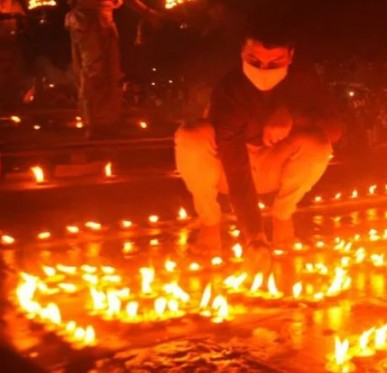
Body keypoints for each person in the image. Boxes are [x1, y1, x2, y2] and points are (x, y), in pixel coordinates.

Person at [174, 15, 342, 254]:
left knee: (317, 143)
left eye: (274, 63)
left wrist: (292, 118)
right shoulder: (230, 90)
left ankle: (283, 216)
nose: (263, 70)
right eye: (254, 60)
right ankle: (210, 223)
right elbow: (235, 164)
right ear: (242, 51)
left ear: (290, 56)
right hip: (227, 170)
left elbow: (335, 132)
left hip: (275, 167)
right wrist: (254, 236)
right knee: (191, 136)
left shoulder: (304, 82)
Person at [65, 0, 163, 138]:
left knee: (97, 73)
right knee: (99, 73)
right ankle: (100, 126)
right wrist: (147, 12)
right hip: (93, 20)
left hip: (90, 20)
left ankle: (98, 123)